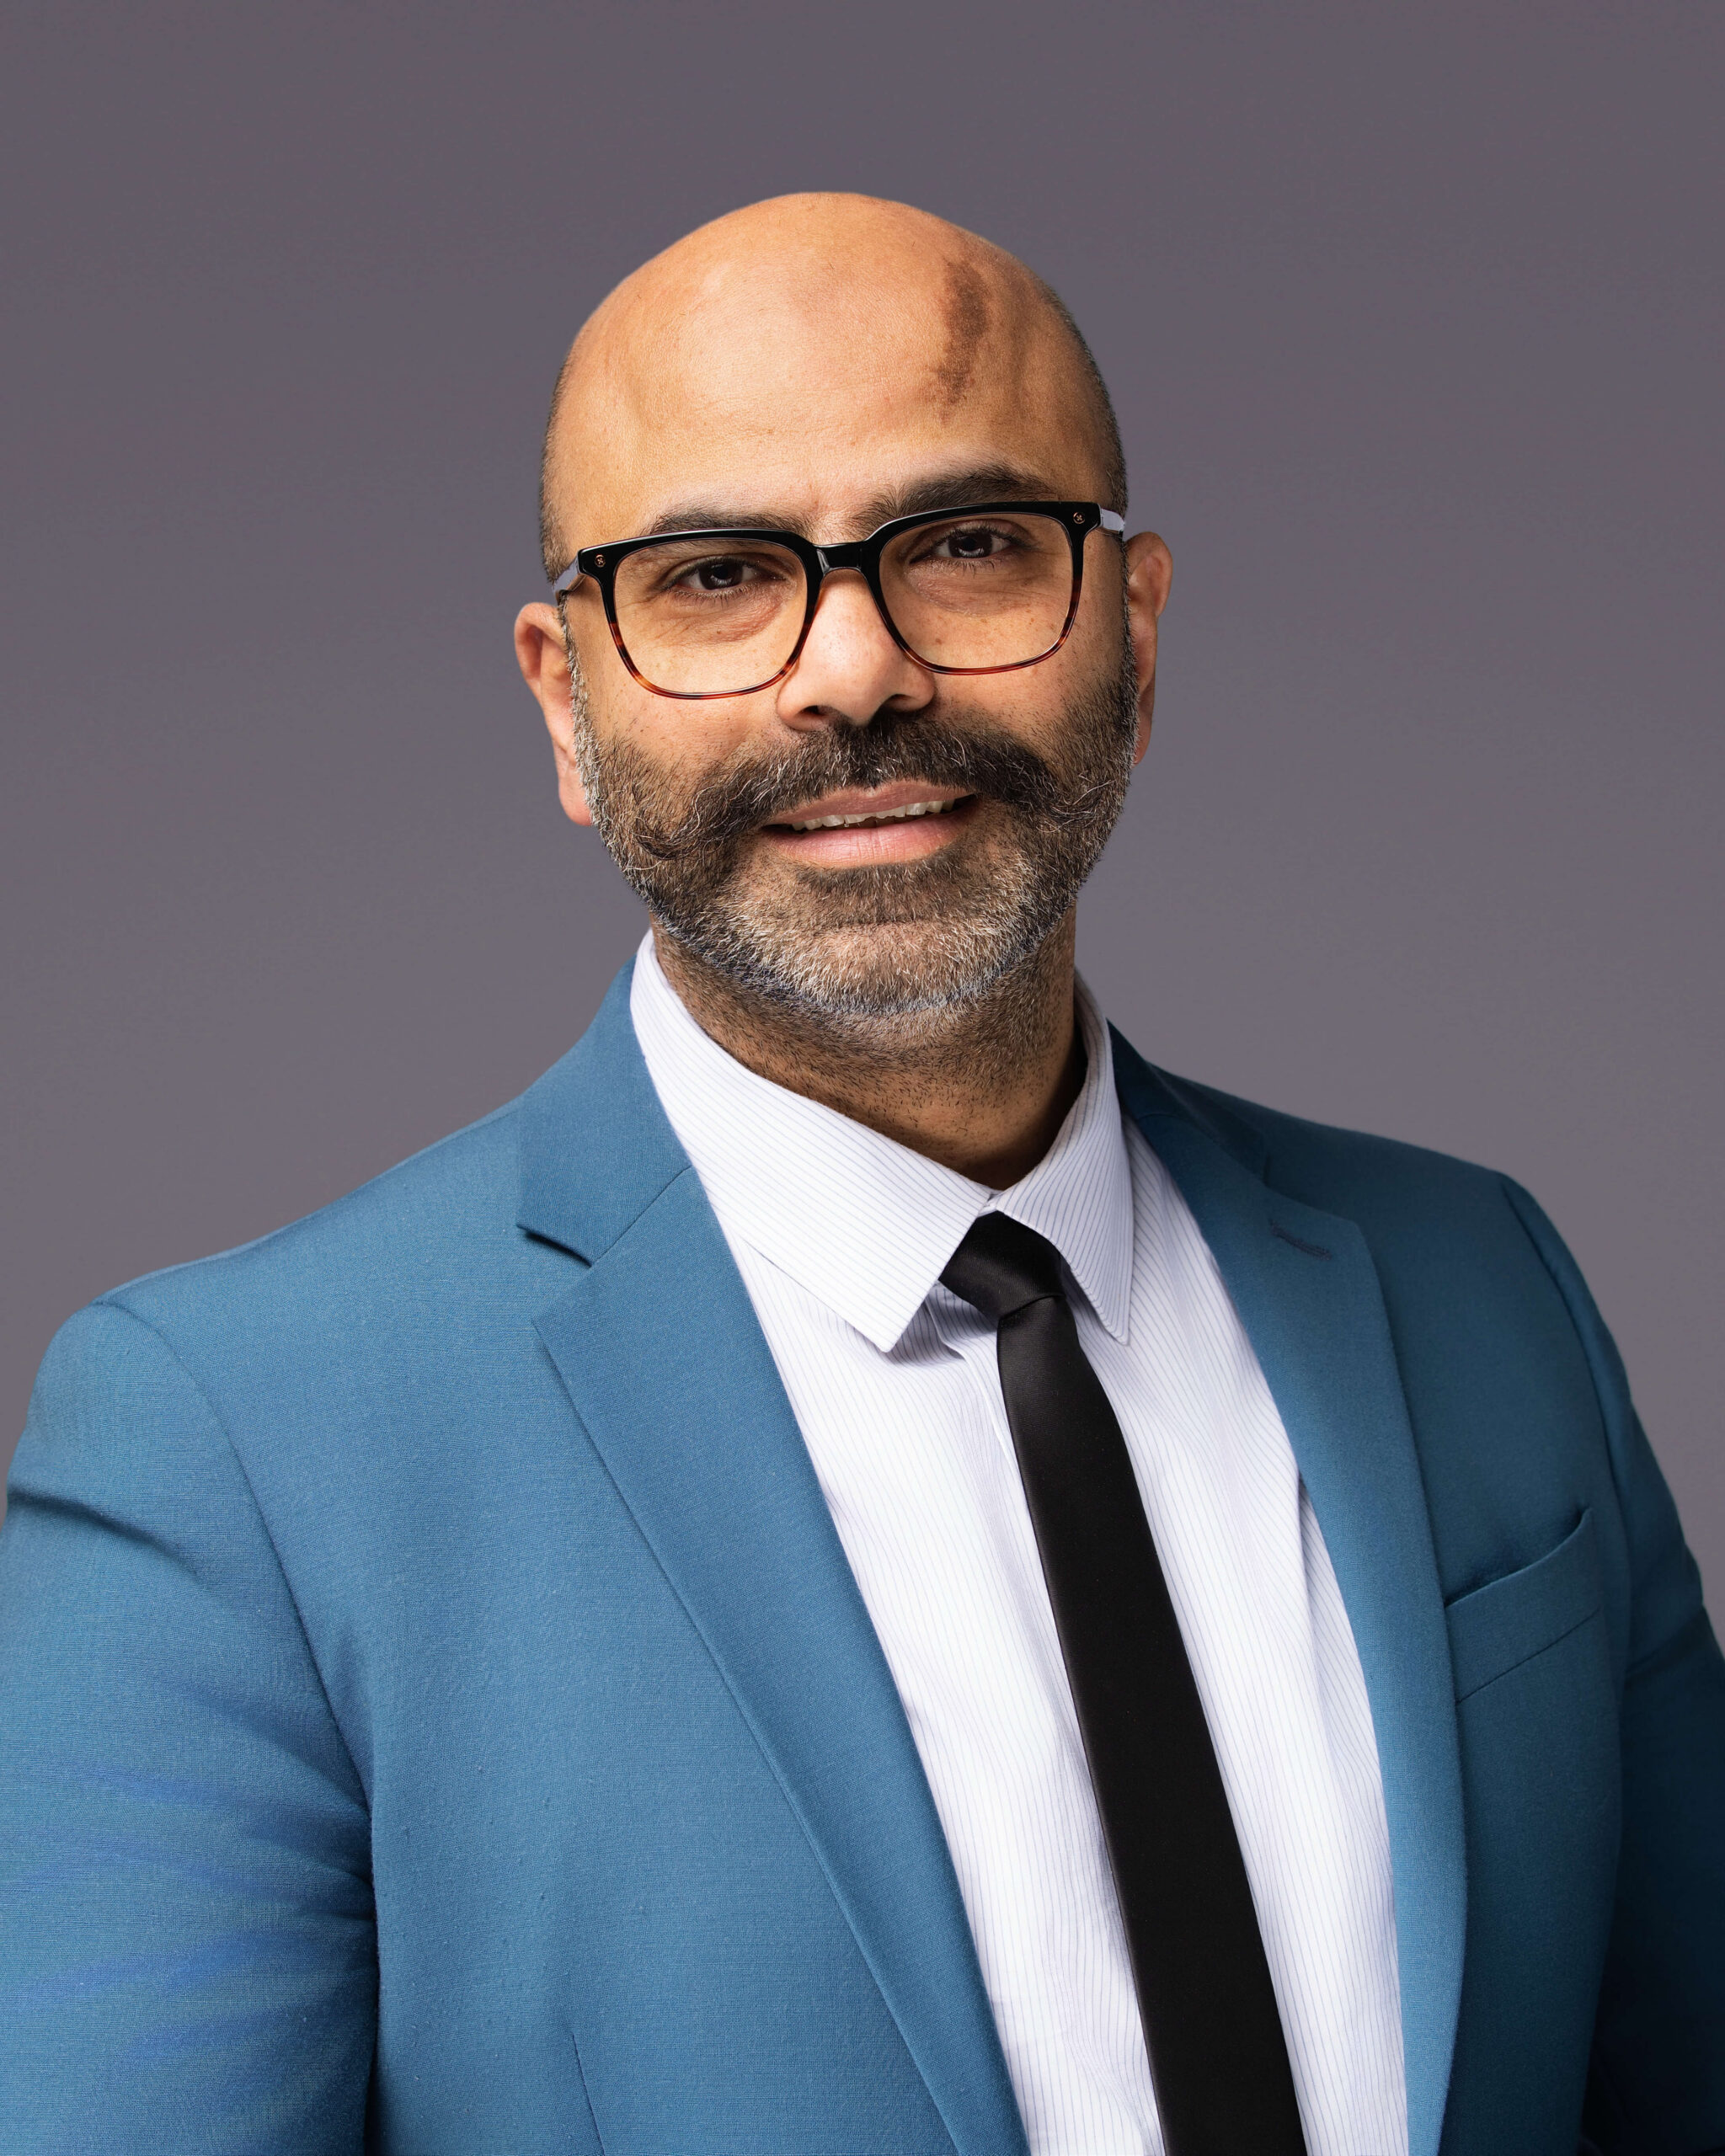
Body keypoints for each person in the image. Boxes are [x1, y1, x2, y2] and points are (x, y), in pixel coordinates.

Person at [1, 193, 1720, 2156]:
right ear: (569, 703)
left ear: (1135, 640)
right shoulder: (235, 1442)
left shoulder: (1479, 1279)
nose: (855, 669)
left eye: (971, 545)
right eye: (718, 573)